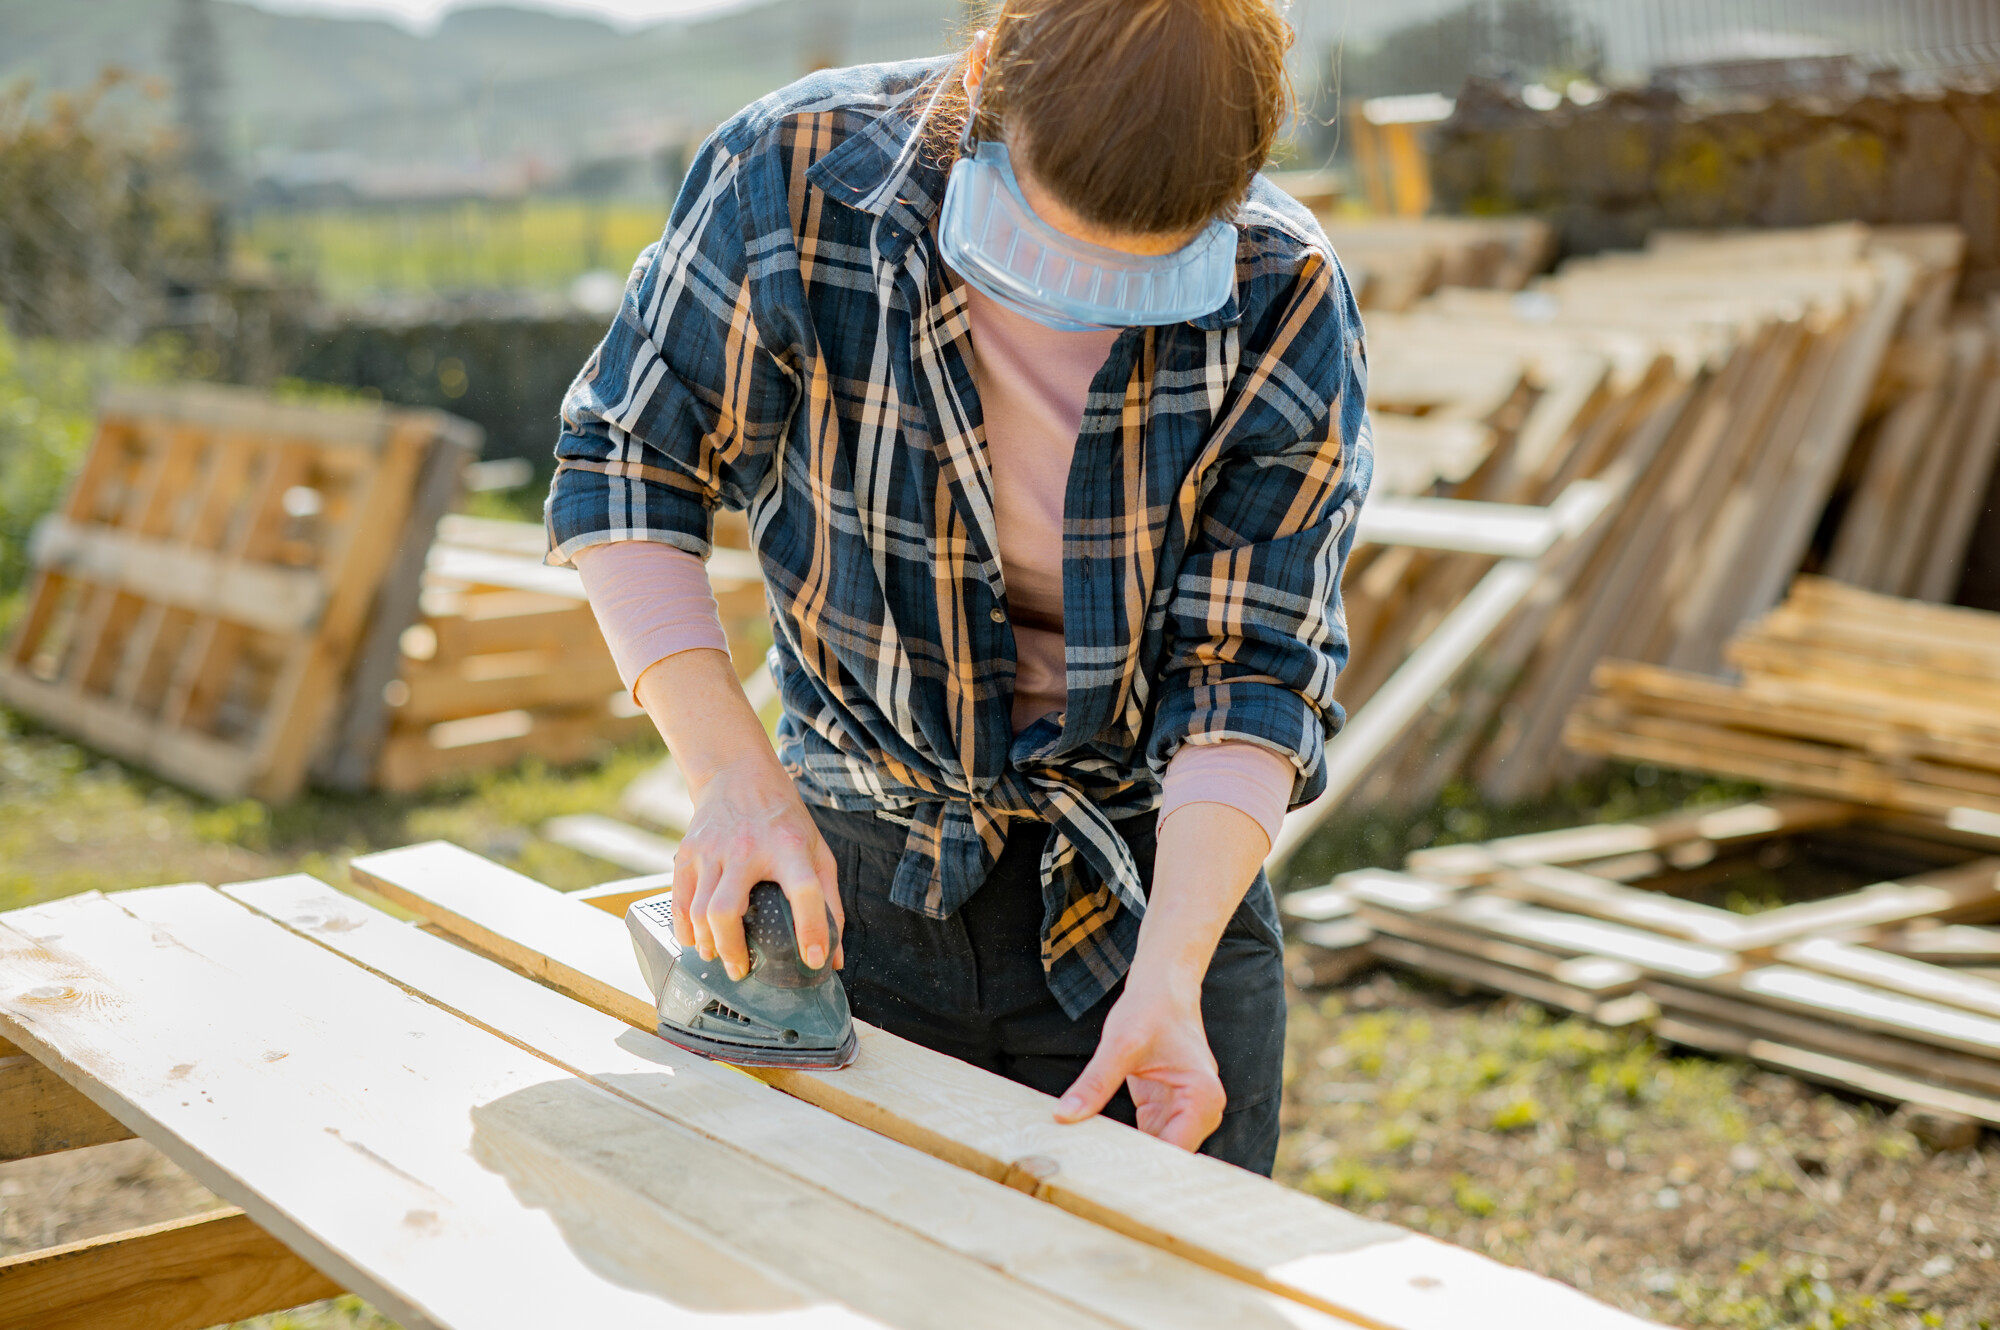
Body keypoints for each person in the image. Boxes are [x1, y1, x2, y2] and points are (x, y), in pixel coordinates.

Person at [548, 0, 1371, 1176]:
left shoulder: (1282, 286)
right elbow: (627, 463)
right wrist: (733, 779)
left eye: (1139, 279)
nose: (1076, 306)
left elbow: (1251, 671)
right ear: (984, 73)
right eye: (1049, 246)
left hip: (1145, 893)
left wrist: (1171, 973)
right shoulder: (792, 176)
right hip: (847, 878)